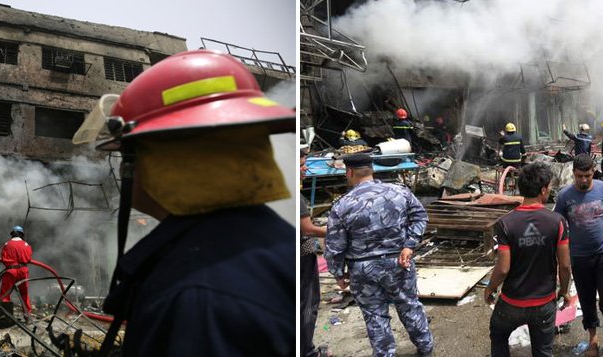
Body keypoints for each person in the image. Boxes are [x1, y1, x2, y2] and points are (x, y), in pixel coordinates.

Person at [93, 50, 294, 355]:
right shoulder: (274, 240)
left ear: (161, 161)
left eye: (125, 155)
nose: (122, 170)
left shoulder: (192, 296)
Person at [325, 153, 434, 357]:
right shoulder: (399, 192)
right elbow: (420, 216)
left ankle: (385, 353)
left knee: (375, 316)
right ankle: (426, 348)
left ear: (349, 172)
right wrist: (409, 245)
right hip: (398, 262)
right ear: (371, 169)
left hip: (362, 269)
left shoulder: (342, 205)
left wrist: (338, 273)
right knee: (410, 306)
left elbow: (334, 245)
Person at [485, 162, 572, 357]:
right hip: (544, 304)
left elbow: (503, 269)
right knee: (543, 351)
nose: (549, 191)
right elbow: (565, 266)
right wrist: (564, 291)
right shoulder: (557, 221)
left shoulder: (505, 223)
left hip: (511, 302)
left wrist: (490, 288)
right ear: (543, 190)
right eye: (549, 187)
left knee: (498, 337)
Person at [553, 154, 603, 357]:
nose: (584, 180)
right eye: (579, 176)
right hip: (579, 258)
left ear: (593, 171)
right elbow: (557, 226)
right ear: (573, 174)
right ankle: (592, 340)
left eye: (587, 175)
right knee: (586, 300)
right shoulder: (564, 196)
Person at [299, 150, 328, 357]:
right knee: (307, 303)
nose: (305, 169)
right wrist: (333, 229)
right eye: (300, 166)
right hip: (301, 255)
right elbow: (307, 229)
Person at [0, 225, 33, 318]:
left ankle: (4, 316)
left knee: (5, 294)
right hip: (23, 272)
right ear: (21, 235)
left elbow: (3, 258)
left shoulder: (7, 244)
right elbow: (28, 259)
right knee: (24, 294)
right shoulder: (26, 245)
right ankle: (27, 315)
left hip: (10, 272)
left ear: (12, 234)